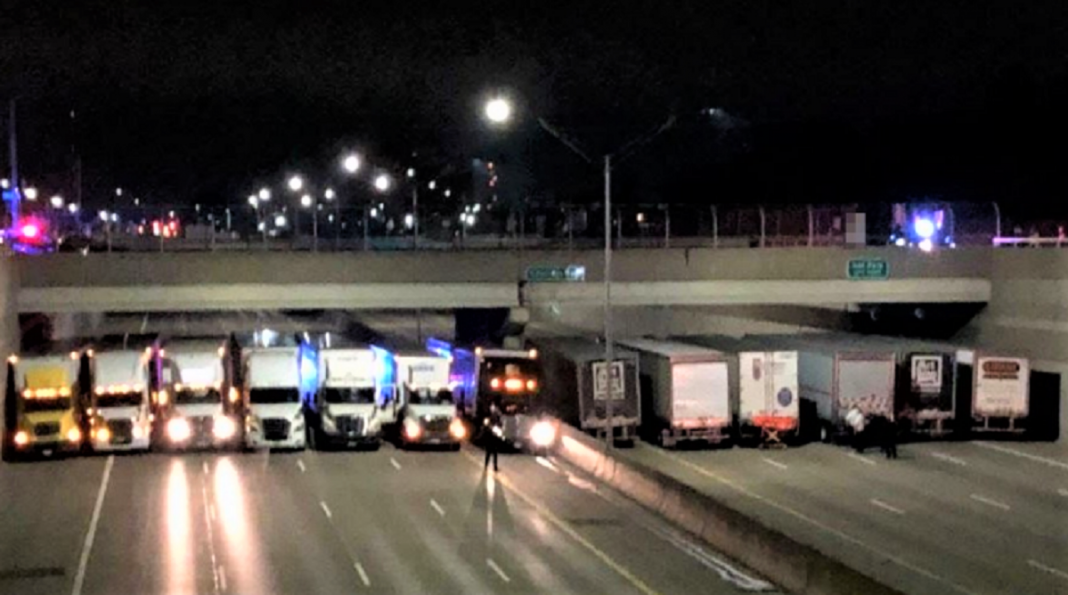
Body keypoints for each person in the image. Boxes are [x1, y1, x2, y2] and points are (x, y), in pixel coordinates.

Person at [483, 402, 502, 472]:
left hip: (495, 437)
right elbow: (486, 426)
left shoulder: (498, 420)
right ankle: (486, 465)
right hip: (490, 437)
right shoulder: (489, 419)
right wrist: (489, 428)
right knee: (489, 452)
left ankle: (495, 466)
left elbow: (501, 425)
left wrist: (499, 431)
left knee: (495, 453)